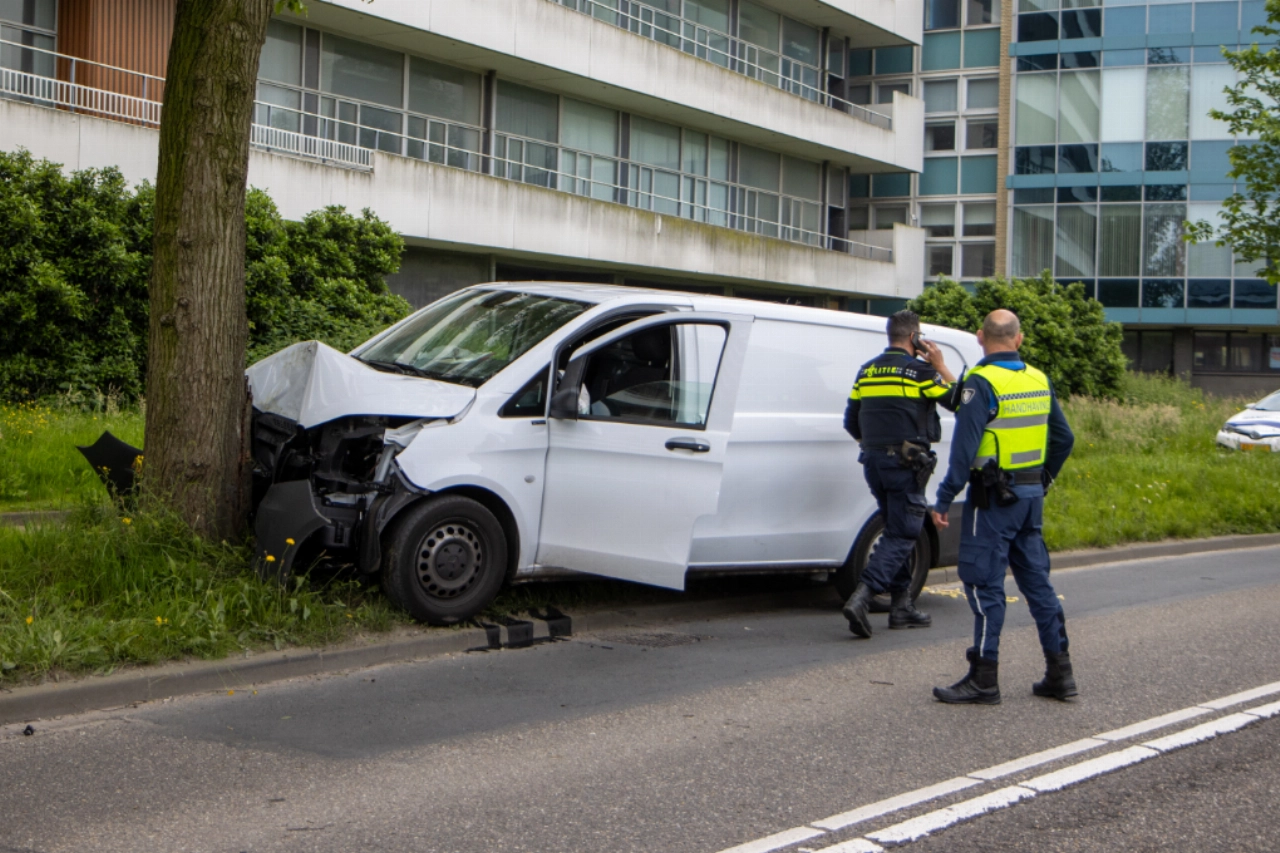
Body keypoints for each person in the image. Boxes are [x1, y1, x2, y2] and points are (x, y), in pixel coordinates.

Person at [929, 309, 1076, 705]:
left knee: (983, 584)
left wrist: (943, 499)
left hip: (992, 502)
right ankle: (1060, 675)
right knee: (1038, 585)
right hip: (1030, 500)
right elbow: (1064, 439)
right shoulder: (1037, 379)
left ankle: (984, 678)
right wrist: (1043, 478)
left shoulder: (983, 381)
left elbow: (963, 452)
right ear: (1019, 339)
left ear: (980, 337)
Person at [842, 310, 958, 638]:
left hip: (874, 464)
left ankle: (901, 606)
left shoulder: (867, 372)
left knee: (895, 527)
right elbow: (961, 401)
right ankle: (863, 597)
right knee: (904, 532)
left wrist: (875, 446)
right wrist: (940, 366)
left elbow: (851, 420)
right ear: (915, 338)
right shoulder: (920, 372)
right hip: (905, 466)